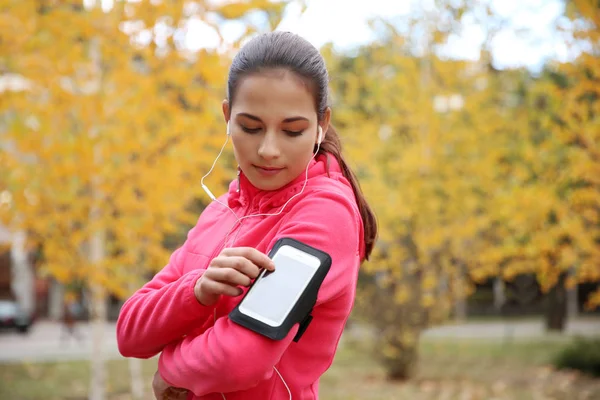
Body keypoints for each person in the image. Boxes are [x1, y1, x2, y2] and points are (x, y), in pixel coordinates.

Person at [116, 31, 378, 400]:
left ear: (321, 124)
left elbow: (240, 358)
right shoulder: (220, 210)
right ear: (227, 116)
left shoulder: (326, 213)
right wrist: (196, 290)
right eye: (250, 127)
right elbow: (129, 333)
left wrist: (168, 371)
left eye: (292, 130)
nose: (268, 149)